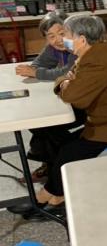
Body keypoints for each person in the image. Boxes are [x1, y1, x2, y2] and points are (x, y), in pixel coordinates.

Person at [7, 14, 107, 220]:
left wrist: (63, 82)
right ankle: (55, 194)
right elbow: (69, 79)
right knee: (62, 144)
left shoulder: (96, 61)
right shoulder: (94, 53)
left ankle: (49, 197)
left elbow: (73, 96)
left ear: (81, 39)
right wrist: (66, 81)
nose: (62, 40)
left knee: (69, 151)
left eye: (66, 34)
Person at [13, 11, 80, 182]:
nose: (57, 40)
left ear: (71, 31)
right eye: (51, 36)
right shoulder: (53, 49)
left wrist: (37, 73)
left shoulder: (78, 47)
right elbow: (38, 63)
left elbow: (65, 72)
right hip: (72, 97)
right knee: (39, 125)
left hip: (89, 105)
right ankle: (53, 165)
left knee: (46, 127)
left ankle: (56, 166)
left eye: (61, 33)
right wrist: (35, 70)